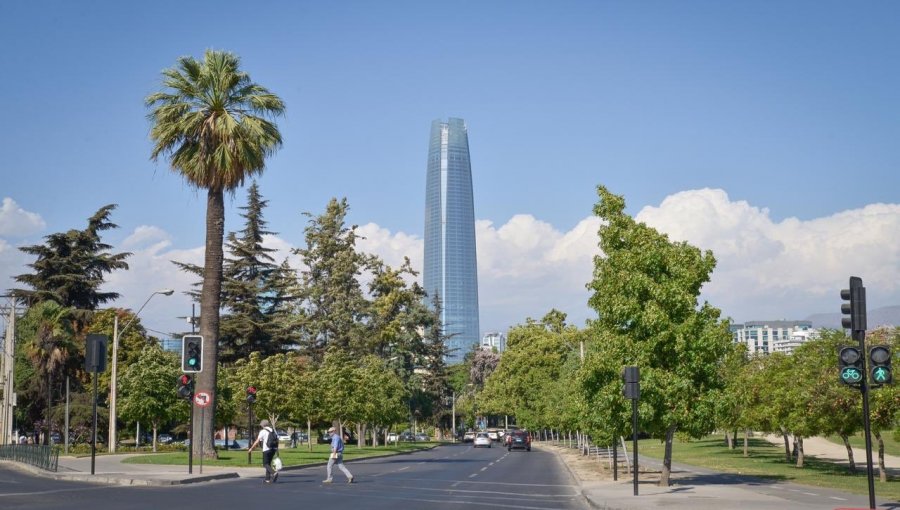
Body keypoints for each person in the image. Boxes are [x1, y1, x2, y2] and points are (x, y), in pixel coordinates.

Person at [248, 419, 279, 483]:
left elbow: (257, 441)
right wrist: (277, 450)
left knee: (265, 464)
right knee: (268, 464)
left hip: (266, 449)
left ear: (263, 425)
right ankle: (267, 479)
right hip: (273, 449)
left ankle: (274, 473)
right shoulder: (273, 430)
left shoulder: (263, 431)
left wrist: (251, 448)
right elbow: (277, 440)